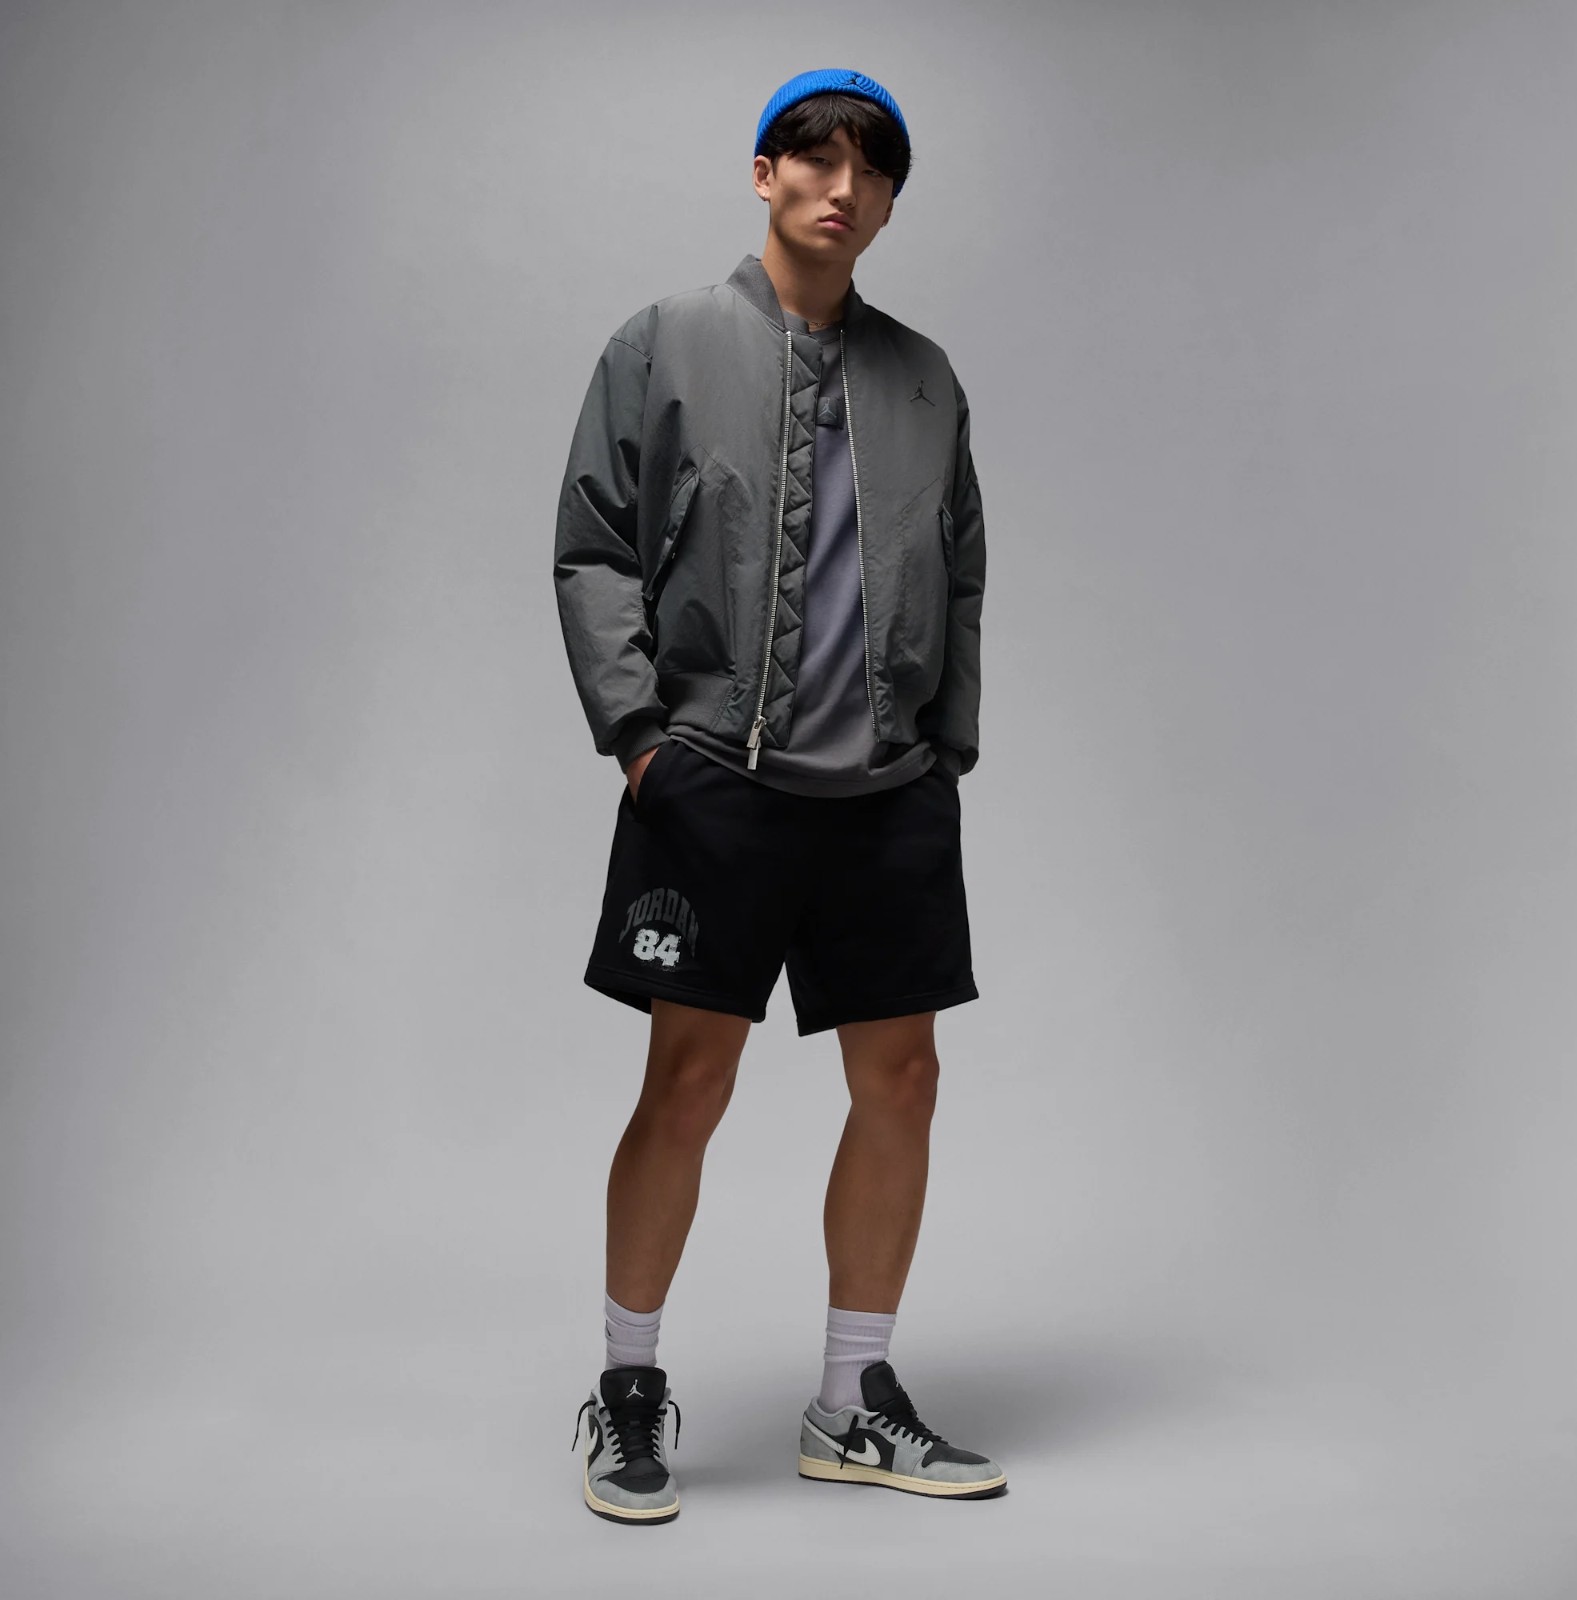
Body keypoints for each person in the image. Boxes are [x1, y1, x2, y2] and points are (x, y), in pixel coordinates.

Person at [556, 67, 1002, 1524]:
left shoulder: (925, 378)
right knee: (687, 1081)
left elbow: (964, 567)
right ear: (765, 174)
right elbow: (594, 545)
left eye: (871, 170)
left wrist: (947, 748)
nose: (841, 188)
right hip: (716, 781)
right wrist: (640, 736)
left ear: (888, 201)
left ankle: (852, 1400)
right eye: (815, 160)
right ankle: (628, 1385)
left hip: (888, 790)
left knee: (904, 1081)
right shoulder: (666, 342)